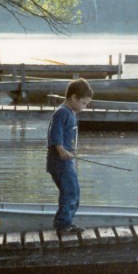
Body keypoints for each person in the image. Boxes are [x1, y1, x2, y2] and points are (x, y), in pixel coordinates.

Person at [46, 78, 93, 234]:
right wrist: (61, 151)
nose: (84, 108)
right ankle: (62, 225)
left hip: (67, 162)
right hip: (59, 162)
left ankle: (67, 221)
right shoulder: (61, 112)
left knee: (75, 192)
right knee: (69, 192)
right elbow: (55, 134)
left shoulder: (71, 113)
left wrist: (73, 157)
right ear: (73, 97)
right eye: (84, 103)